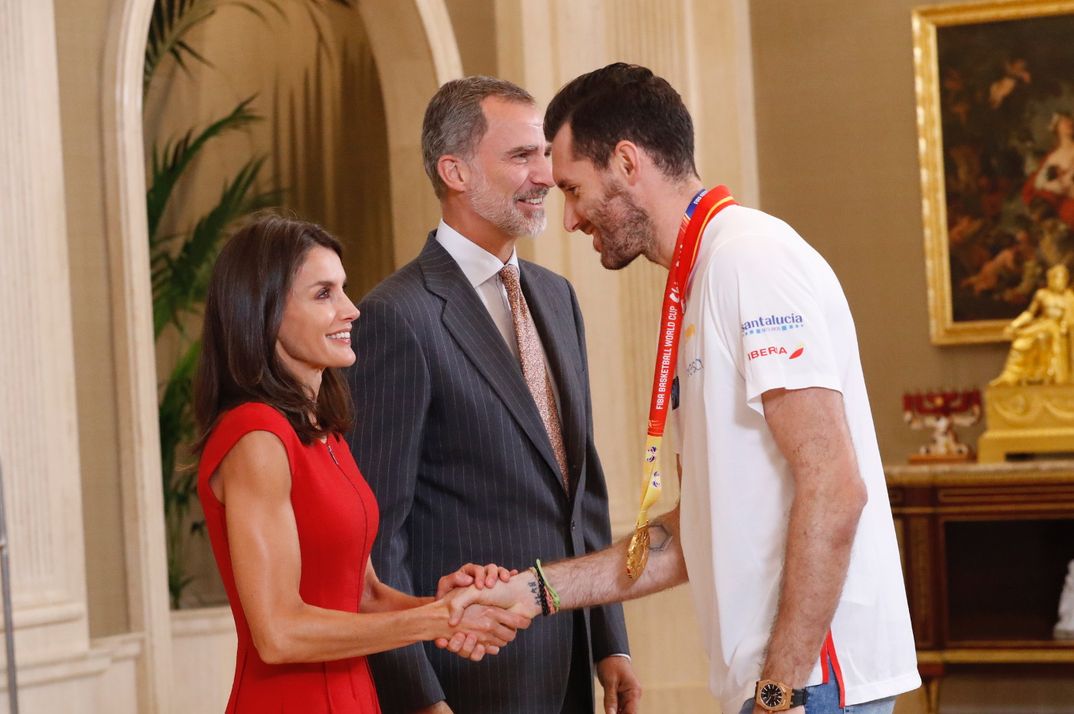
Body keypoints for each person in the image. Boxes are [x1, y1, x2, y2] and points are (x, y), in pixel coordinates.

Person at [446, 63, 921, 714]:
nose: (571, 219)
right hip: (782, 687)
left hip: (812, 686)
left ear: (627, 162)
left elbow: (834, 486)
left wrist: (779, 692)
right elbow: (692, 534)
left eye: (574, 189)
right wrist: (532, 591)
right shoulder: (703, 277)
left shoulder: (748, 259)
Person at [346, 77, 638, 714]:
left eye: (544, 154)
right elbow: (376, 538)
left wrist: (609, 642)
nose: (544, 175)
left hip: (568, 662)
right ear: (454, 170)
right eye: (521, 157)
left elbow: (581, 489)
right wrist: (418, 697)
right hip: (467, 678)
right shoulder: (396, 317)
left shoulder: (557, 297)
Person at [194, 215, 530, 714]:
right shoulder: (256, 438)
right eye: (324, 294)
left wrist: (456, 608)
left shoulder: (323, 433)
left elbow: (364, 595)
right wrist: (438, 621)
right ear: (265, 312)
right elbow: (280, 633)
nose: (351, 310)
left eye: (344, 290)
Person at [991, 262, 1074, 385]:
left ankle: (1045, 375)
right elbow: (1030, 314)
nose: (1059, 281)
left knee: (1043, 338)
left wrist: (1064, 326)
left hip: (1057, 329)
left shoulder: (1069, 297)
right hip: (1043, 324)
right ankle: (1010, 375)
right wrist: (1015, 325)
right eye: (1055, 277)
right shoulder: (1042, 294)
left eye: (1061, 278)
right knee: (1020, 341)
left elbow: (1070, 317)